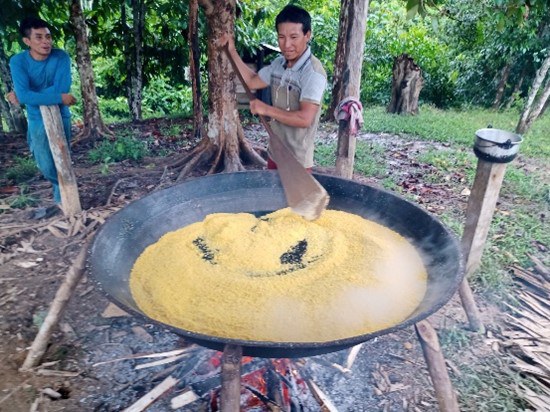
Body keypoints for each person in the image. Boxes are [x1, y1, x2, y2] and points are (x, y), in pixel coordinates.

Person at [221, 4, 327, 170]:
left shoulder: (313, 73)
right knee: (274, 195)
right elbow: (252, 80)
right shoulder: (279, 63)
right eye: (281, 37)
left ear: (307, 35)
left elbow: (305, 119)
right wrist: (232, 50)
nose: (286, 45)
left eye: (294, 37)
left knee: (297, 197)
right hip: (275, 152)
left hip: (297, 160)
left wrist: (266, 109)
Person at [9, 16, 77, 206]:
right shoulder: (18, 62)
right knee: (45, 164)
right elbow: (59, 95)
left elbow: (61, 87)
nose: (46, 42)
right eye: (38, 37)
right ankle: (61, 190)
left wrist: (28, 95)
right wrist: (58, 96)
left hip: (60, 115)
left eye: (48, 36)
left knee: (63, 157)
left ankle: (65, 200)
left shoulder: (61, 56)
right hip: (36, 118)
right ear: (27, 41)